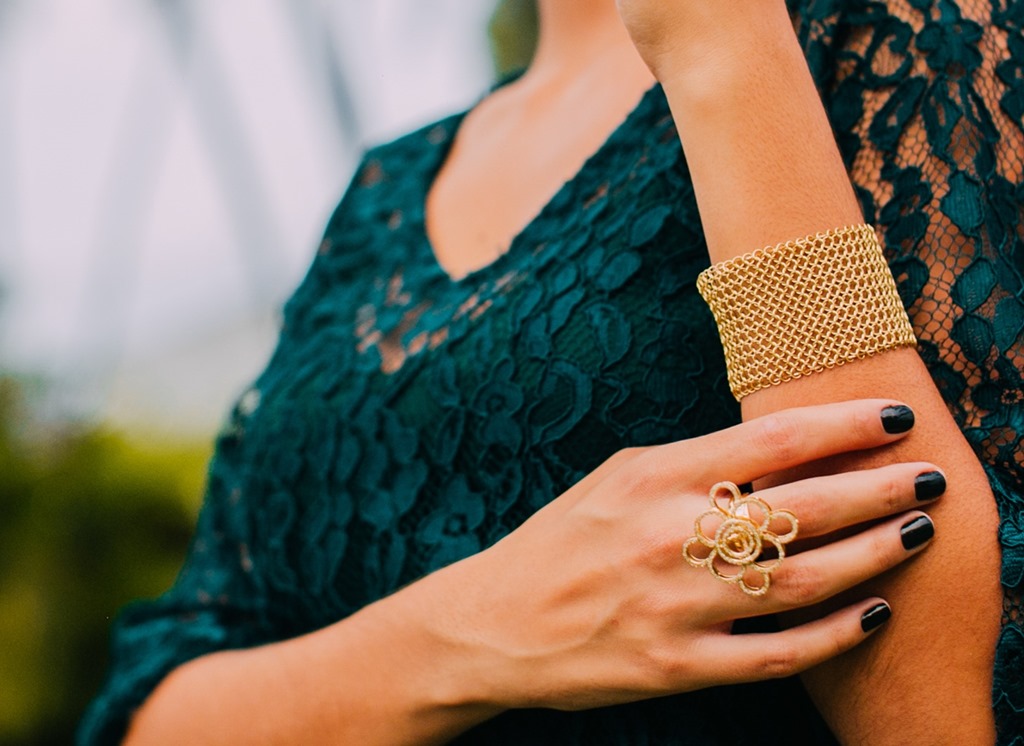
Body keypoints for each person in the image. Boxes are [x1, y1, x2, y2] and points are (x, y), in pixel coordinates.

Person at [79, 0, 1023, 743]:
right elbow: (153, 714)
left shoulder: (918, 35)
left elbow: (945, 720)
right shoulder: (380, 193)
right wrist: (466, 635)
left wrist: (719, 51)